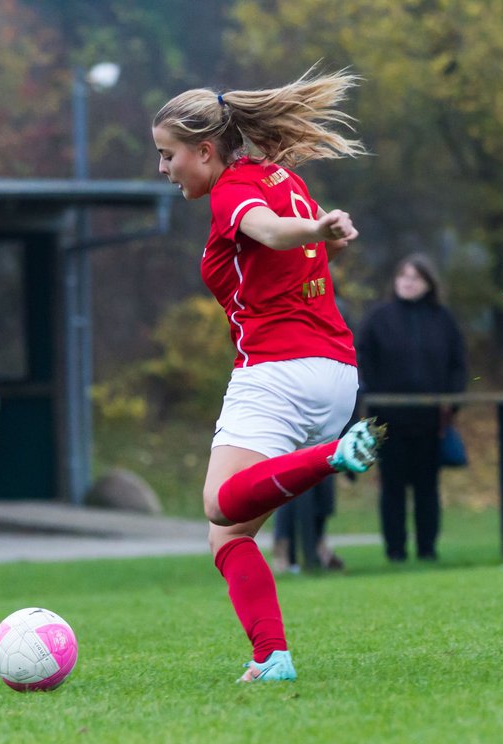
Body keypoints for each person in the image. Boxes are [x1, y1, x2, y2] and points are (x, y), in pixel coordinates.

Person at [151, 68, 384, 683]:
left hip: (277, 370)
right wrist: (327, 234)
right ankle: (271, 657)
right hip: (336, 373)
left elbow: (271, 231)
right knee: (227, 537)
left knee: (217, 502)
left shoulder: (234, 192)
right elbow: (291, 250)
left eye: (167, 155)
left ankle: (336, 456)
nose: (163, 168)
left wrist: (313, 229)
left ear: (205, 150)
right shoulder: (285, 177)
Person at [357, 254, 467, 562]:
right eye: (403, 275)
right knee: (391, 488)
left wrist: (451, 404)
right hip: (387, 420)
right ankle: (395, 551)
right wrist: (371, 400)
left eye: (415, 276)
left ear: (428, 283)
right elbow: (361, 359)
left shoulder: (442, 319)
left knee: (427, 489)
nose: (407, 281)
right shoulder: (378, 318)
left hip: (430, 421)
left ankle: (427, 549)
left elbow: (458, 365)